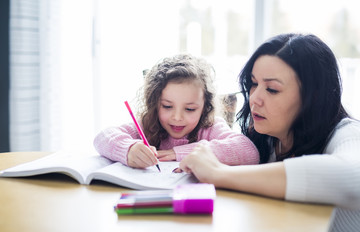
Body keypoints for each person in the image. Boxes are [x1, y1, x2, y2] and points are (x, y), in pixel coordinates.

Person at [178, 34, 360, 232]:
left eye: (272, 89)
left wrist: (219, 173)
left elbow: (353, 178)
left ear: (313, 97)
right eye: (254, 83)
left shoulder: (347, 133)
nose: (254, 98)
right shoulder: (267, 139)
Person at [93, 54, 259, 169]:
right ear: (155, 104)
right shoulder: (149, 125)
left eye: (190, 109)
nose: (177, 117)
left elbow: (248, 151)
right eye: (167, 106)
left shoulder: (210, 127)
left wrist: (177, 153)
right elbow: (102, 137)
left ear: (205, 106)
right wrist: (128, 149)